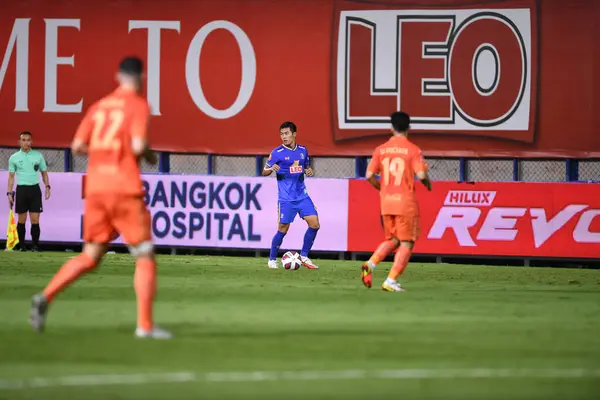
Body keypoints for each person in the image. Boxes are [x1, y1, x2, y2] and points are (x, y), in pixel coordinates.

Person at [29, 56, 172, 339]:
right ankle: (144, 326)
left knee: (91, 255)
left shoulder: (99, 107)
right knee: (144, 253)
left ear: (117, 77)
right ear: (141, 78)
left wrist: (104, 151)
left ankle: (46, 295)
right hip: (123, 187)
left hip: (95, 188)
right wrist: (148, 155)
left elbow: (78, 145)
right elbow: (138, 145)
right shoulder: (138, 105)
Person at [361, 111, 432, 292]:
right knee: (407, 242)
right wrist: (427, 184)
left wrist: (381, 188)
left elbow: (369, 175)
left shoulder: (381, 149)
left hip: (386, 202)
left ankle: (370, 264)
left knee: (393, 239)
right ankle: (390, 281)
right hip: (405, 202)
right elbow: (422, 175)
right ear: (409, 128)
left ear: (391, 128)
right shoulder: (413, 149)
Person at [262, 121, 320, 269]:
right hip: (286, 199)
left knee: (315, 224)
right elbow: (264, 171)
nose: (284, 137)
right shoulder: (276, 153)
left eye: (286, 133)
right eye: (282, 134)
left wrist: (309, 171)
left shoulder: (303, 151)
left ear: (294, 134)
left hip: (302, 196)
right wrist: (271, 169)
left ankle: (305, 256)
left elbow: (306, 168)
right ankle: (272, 259)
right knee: (283, 229)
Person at [7, 131, 51, 251]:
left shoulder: (38, 156)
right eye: (24, 140)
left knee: (35, 219)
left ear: (32, 142)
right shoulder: (14, 158)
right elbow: (11, 177)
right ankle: (22, 246)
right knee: (22, 219)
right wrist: (9, 192)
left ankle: (35, 245)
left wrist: (47, 186)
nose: (26, 142)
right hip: (21, 190)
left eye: (28, 140)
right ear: (19, 142)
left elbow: (44, 173)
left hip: (35, 190)